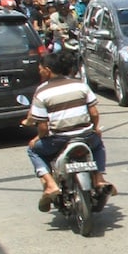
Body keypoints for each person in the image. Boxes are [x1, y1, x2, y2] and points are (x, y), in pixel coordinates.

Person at [24, 47, 112, 209]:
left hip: (59, 139)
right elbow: (94, 112)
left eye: (40, 69)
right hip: (85, 136)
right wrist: (95, 128)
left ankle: (50, 184)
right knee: (98, 143)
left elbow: (43, 127)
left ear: (48, 70)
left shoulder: (41, 92)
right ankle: (99, 178)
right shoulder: (80, 85)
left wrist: (37, 138)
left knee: (33, 150)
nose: (39, 72)